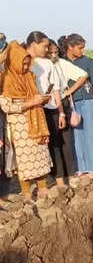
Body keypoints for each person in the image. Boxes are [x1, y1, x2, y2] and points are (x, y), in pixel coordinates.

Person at [0, 41, 52, 202]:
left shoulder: (29, 76)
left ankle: (43, 188)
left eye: (27, 64)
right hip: (18, 125)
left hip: (35, 119)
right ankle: (27, 193)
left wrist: (40, 100)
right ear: (14, 61)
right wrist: (31, 103)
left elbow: (34, 96)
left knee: (40, 153)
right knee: (23, 160)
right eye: (22, 64)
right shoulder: (5, 79)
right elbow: (6, 106)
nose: (25, 67)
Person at [26, 32, 70, 189]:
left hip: (50, 108)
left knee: (55, 145)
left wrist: (61, 112)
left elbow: (56, 89)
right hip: (31, 110)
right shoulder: (25, 63)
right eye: (44, 46)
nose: (47, 49)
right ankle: (38, 183)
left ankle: (59, 180)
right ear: (34, 44)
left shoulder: (48, 64)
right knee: (36, 147)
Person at [60, 33, 93, 176]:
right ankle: (81, 167)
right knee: (76, 136)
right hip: (71, 104)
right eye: (80, 48)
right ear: (70, 47)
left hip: (88, 100)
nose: (82, 51)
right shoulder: (61, 62)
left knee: (92, 134)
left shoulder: (88, 62)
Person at [47, 40, 88, 188]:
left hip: (62, 104)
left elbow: (83, 75)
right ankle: (58, 178)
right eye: (50, 52)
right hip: (46, 107)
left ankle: (70, 175)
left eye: (55, 52)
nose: (53, 55)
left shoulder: (61, 63)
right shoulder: (39, 65)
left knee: (67, 142)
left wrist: (69, 91)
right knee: (54, 144)